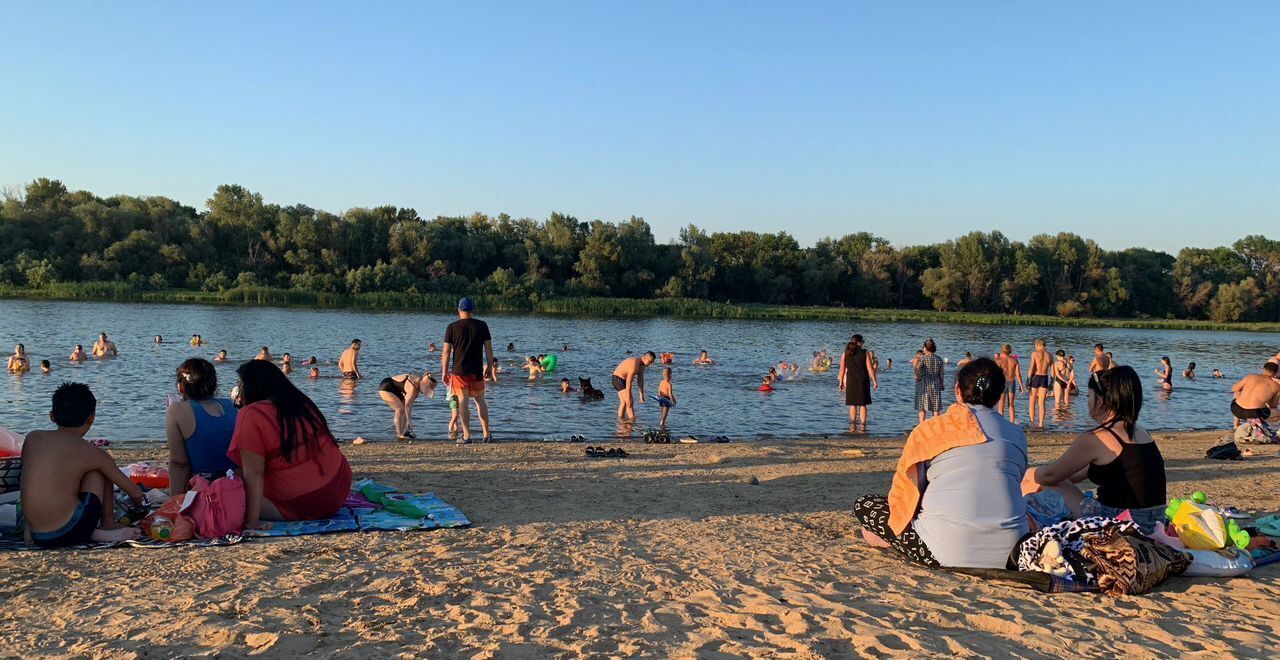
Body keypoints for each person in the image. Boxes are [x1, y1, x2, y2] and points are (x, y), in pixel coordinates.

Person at [853, 358, 1028, 568]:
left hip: (946, 552)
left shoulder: (930, 429)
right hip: (1011, 552)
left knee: (865, 505)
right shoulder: (1017, 434)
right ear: (999, 395)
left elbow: (908, 493)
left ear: (957, 390)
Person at [1024, 366, 1167, 534]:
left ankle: (1011, 524)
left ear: (1100, 401)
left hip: (1121, 525)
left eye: (1089, 396)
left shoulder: (1097, 438)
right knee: (1040, 479)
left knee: (1032, 477)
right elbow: (1074, 476)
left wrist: (1029, 473)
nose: (1087, 401)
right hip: (1155, 523)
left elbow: (1048, 476)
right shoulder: (1141, 431)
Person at [227, 360, 353, 529]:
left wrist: (251, 522)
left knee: (231, 484)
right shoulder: (300, 402)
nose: (239, 390)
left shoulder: (251, 414)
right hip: (339, 486)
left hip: (309, 502)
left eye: (240, 384)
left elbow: (254, 473)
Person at [20, 383, 144, 547]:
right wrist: (139, 507)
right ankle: (108, 524)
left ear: (52, 416)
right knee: (100, 470)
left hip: (36, 533)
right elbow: (134, 492)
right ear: (91, 418)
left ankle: (28, 530)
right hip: (69, 531)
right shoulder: (93, 453)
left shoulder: (32, 438)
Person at [166, 358, 239, 496]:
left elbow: (179, 463)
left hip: (205, 489)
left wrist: (174, 502)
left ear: (181, 387)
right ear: (214, 385)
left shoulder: (177, 411)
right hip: (235, 485)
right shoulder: (230, 405)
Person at [442, 297, 496, 444]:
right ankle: (486, 434)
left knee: (463, 402)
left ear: (459, 309)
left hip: (459, 371)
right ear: (472, 310)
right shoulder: (482, 325)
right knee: (480, 401)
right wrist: (490, 367)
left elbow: (446, 352)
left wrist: (444, 371)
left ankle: (467, 436)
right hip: (477, 370)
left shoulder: (452, 327)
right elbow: (488, 348)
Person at [838, 335, 878, 432]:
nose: (863, 343)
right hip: (863, 381)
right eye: (862, 341)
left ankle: (853, 425)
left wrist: (840, 382)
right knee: (863, 404)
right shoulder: (865, 353)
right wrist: (875, 381)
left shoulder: (845, 353)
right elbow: (870, 368)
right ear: (859, 342)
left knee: (853, 404)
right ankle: (863, 426)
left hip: (851, 381)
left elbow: (842, 369)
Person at [378, 373, 430, 440]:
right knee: (399, 409)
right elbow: (407, 405)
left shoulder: (417, 389)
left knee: (404, 411)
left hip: (396, 390)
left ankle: (402, 433)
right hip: (386, 386)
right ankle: (399, 434)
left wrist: (409, 420)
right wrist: (409, 421)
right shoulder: (413, 386)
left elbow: (408, 406)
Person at [1230, 362, 1280, 429]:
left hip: (1236, 410)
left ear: (1263, 369)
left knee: (1237, 392)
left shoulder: (1251, 376)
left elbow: (1234, 389)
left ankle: (1236, 423)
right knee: (1277, 412)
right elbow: (1273, 405)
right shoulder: (1276, 386)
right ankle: (1263, 426)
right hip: (1254, 414)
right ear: (1276, 373)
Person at [612, 352, 655, 421]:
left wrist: (641, 394)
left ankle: (620, 421)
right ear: (644, 358)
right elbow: (629, 381)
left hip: (622, 380)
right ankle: (631, 421)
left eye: (651, 363)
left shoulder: (642, 366)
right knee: (630, 401)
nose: (649, 365)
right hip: (618, 378)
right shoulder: (635, 363)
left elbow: (640, 380)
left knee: (624, 402)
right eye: (649, 362)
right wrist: (629, 396)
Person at [914, 339, 944, 423]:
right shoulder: (939, 359)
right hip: (936, 384)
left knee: (922, 406)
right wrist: (942, 384)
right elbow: (941, 373)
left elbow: (916, 369)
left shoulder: (923, 358)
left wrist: (918, 377)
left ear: (925, 348)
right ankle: (937, 426)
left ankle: (922, 425)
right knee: (935, 407)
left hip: (924, 384)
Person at [1026, 339, 1052, 430]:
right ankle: (1041, 424)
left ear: (1038, 345)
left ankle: (1032, 422)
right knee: (1042, 403)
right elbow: (1052, 371)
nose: (1035, 347)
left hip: (1036, 377)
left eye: (1035, 346)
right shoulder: (1050, 355)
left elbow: (1032, 367)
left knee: (1032, 401)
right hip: (1045, 378)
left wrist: (1028, 380)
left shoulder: (1034, 354)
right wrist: (1051, 383)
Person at [994, 344, 1022, 423]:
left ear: (1001, 350)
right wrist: (1021, 386)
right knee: (1011, 404)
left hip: (1002, 382)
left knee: (1001, 403)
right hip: (1012, 382)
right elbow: (1018, 374)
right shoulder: (1014, 360)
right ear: (1010, 351)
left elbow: (994, 374)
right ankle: (1012, 422)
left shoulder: (998, 360)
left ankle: (1001, 422)